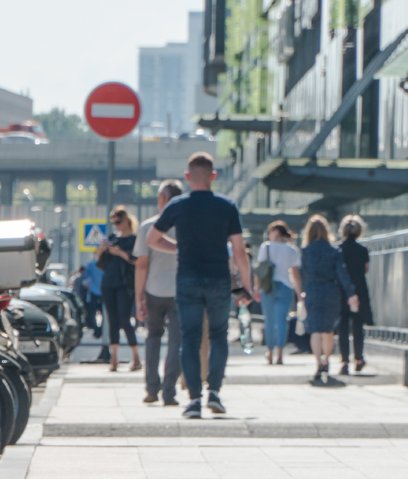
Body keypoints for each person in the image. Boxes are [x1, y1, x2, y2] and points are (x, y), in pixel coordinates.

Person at [146, 151, 257, 419]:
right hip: (219, 280)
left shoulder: (177, 206)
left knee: (191, 338)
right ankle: (215, 393)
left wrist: (178, 247)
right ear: (213, 176)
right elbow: (239, 252)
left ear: (187, 176)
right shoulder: (227, 206)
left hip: (187, 280)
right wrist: (247, 286)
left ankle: (194, 400)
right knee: (218, 335)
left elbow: (152, 239)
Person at [135, 179, 184, 404]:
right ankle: (170, 391)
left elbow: (142, 264)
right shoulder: (186, 225)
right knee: (177, 341)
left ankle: (152, 389)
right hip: (180, 292)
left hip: (154, 291)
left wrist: (139, 297)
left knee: (153, 337)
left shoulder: (148, 226)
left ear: (162, 199)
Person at [299, 215, 358, 384]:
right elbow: (342, 274)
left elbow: (302, 274)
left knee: (315, 329)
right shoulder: (334, 251)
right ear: (327, 232)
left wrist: (301, 293)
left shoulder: (305, 252)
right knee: (328, 330)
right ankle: (326, 359)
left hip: (312, 290)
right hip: (331, 290)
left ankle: (319, 362)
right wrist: (350, 293)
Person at [95, 205, 140, 372]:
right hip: (108, 282)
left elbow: (136, 260)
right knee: (112, 320)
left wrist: (119, 252)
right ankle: (114, 359)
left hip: (125, 284)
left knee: (124, 319)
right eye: (114, 222)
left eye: (119, 222)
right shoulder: (112, 238)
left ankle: (135, 357)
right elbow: (99, 261)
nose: (116, 225)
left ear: (127, 220)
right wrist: (102, 248)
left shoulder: (134, 239)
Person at [254, 221, 302, 365]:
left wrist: (256, 288)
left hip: (268, 287)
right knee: (282, 321)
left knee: (269, 321)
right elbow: (295, 274)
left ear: (275, 232)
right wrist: (300, 293)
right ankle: (280, 353)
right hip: (286, 286)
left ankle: (269, 352)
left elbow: (259, 269)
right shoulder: (292, 249)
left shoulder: (266, 247)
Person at [336, 215, 372, 375]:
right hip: (359, 290)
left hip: (342, 291)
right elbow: (365, 270)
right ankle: (359, 358)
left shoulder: (339, 249)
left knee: (343, 325)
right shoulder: (362, 250)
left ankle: (344, 361)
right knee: (358, 325)